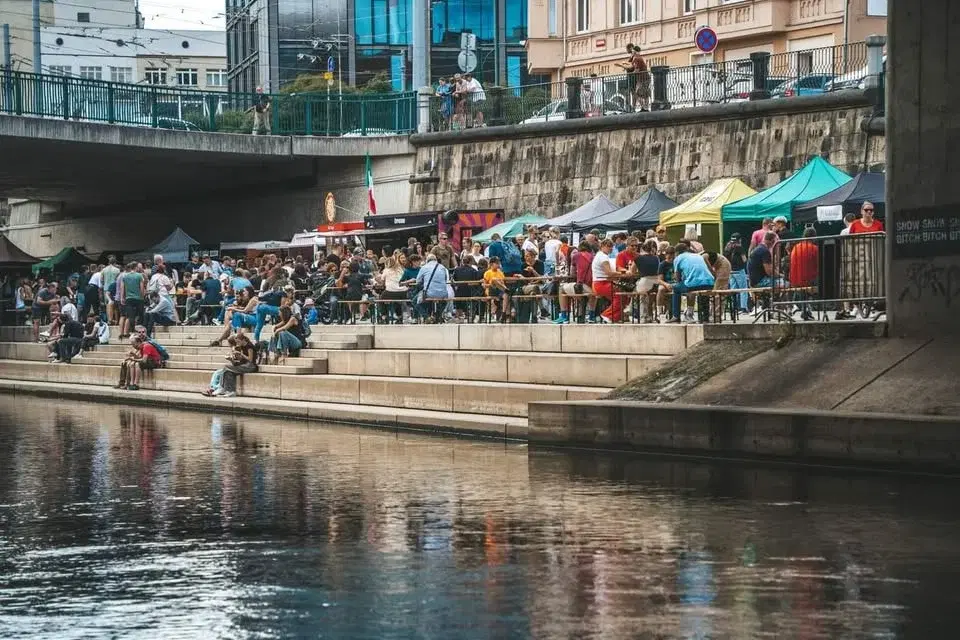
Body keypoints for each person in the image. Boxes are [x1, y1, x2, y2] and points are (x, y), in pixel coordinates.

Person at [668, 243, 715, 323]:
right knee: (703, 291)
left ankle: (676, 316)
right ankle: (705, 317)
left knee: (676, 288)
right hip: (710, 282)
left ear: (677, 252)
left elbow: (677, 277)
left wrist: (680, 283)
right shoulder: (698, 256)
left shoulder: (678, 258)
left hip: (693, 284)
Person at [789, 227, 819, 321]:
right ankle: (807, 308)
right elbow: (819, 265)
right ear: (813, 237)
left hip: (794, 280)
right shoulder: (814, 248)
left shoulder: (796, 247)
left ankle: (805, 308)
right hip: (808, 280)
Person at [216, 331, 258, 397]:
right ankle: (231, 391)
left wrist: (241, 354)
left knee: (226, 367)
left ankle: (221, 387)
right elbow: (242, 360)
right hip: (244, 365)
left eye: (238, 342)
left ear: (243, 340)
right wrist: (232, 359)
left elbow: (250, 359)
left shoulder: (249, 346)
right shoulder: (242, 347)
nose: (237, 344)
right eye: (236, 342)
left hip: (251, 366)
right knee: (228, 372)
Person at [415, 254, 450, 322]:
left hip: (429, 293)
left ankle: (427, 316)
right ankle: (438, 315)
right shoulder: (442, 267)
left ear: (427, 260)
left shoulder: (424, 267)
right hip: (443, 293)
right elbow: (445, 280)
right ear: (436, 260)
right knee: (444, 301)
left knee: (415, 301)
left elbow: (418, 281)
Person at [633, 239, 660, 323]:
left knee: (636, 292)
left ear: (642, 249)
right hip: (656, 282)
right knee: (649, 295)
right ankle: (651, 315)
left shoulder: (637, 258)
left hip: (645, 282)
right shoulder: (656, 258)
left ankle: (643, 316)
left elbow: (632, 272)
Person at [591, 239, 616, 323]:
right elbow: (609, 273)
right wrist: (623, 273)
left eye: (612, 246)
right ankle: (607, 315)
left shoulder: (599, 255)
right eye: (608, 246)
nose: (611, 248)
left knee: (619, 296)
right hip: (602, 284)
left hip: (597, 284)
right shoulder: (603, 257)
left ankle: (615, 316)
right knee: (621, 295)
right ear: (602, 246)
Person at [724, 233, 749, 312]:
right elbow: (744, 259)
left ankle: (733, 307)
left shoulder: (727, 247)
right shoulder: (739, 248)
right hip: (739, 270)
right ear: (740, 240)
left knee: (733, 290)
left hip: (731, 271)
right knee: (743, 289)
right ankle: (743, 308)